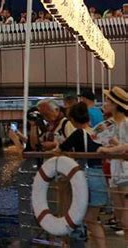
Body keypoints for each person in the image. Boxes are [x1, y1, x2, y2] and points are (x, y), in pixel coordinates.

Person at [57, 102, 108, 247]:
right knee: (92, 219)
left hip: (84, 178)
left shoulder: (78, 133)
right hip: (99, 177)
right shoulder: (96, 133)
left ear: (72, 119)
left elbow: (60, 148)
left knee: (80, 217)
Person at [98, 87, 128, 239]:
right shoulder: (112, 124)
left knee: (125, 214)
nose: (105, 103)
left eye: (108, 101)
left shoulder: (126, 123)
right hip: (115, 170)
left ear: (115, 104)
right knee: (119, 210)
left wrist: (110, 149)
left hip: (125, 170)